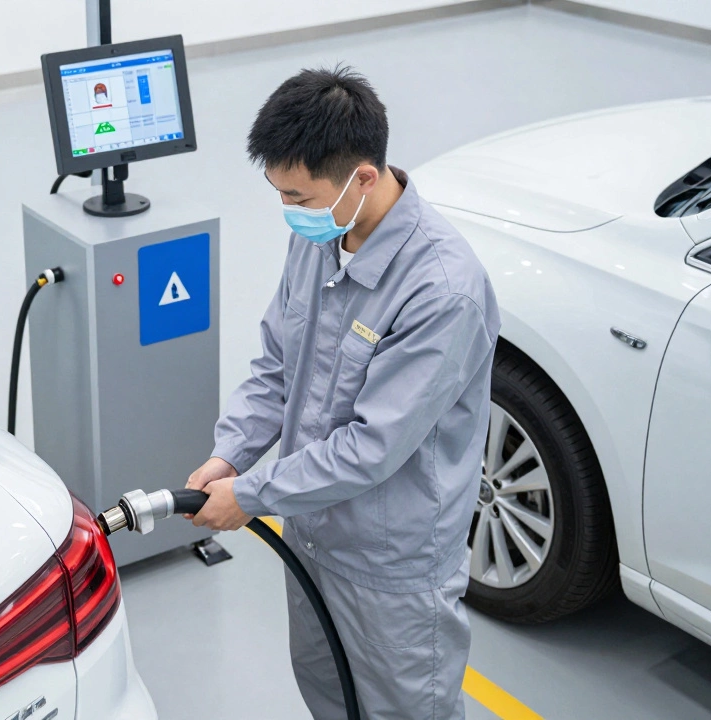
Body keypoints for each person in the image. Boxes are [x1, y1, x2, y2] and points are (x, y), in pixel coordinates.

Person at [185, 66, 500, 719]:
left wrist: (251, 495)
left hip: (389, 567)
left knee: (402, 710)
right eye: (279, 193)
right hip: (311, 533)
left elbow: (370, 447)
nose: (288, 211)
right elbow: (276, 363)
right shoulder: (321, 239)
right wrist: (230, 453)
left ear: (363, 178)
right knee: (326, 692)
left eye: (299, 197)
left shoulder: (441, 291)